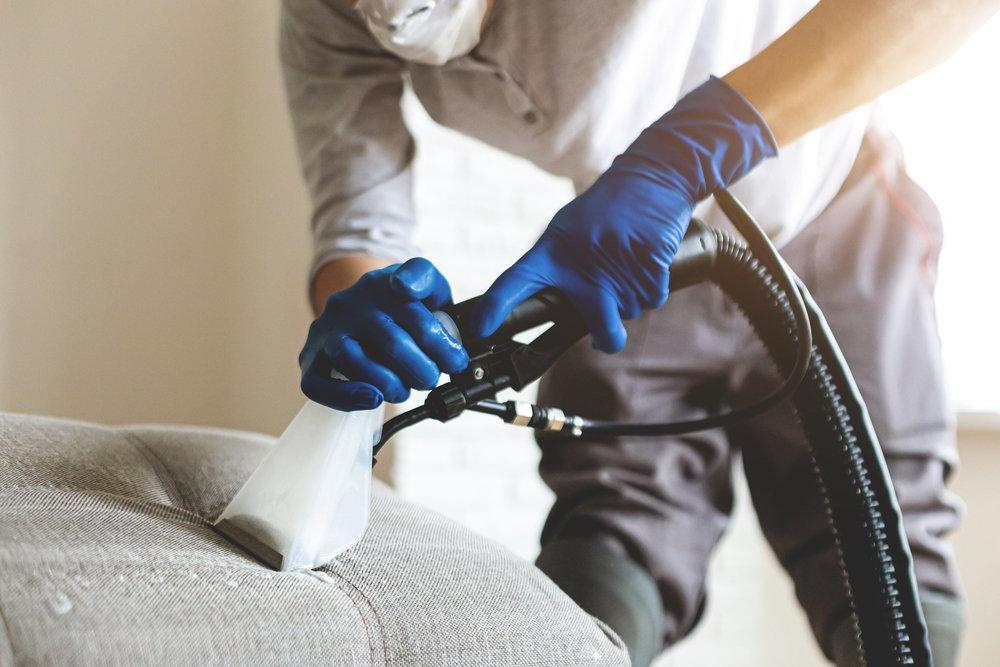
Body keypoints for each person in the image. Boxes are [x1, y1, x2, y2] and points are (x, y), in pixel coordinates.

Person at [285, 1, 997, 664]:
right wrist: (365, 321)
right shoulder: (321, 14)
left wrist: (685, 155)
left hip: (837, 215)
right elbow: (359, 220)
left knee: (885, 567)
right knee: (605, 556)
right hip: (631, 255)